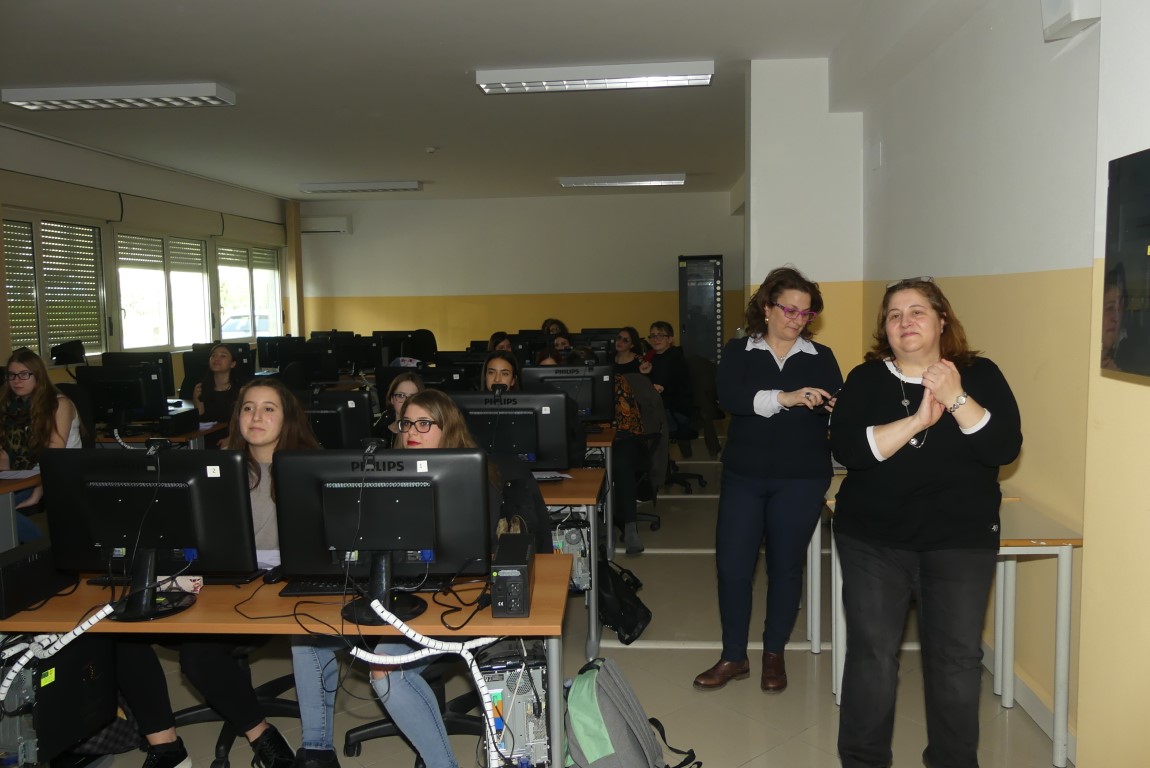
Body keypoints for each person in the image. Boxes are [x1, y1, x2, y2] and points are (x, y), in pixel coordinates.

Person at [295, 389, 550, 768]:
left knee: (385, 671)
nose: (412, 431)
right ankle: (316, 751)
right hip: (391, 592)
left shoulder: (476, 477)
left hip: (453, 602)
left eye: (424, 424)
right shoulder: (379, 474)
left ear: (448, 429)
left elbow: (470, 555)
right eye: (407, 423)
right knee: (307, 637)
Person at [830, 277, 1022, 768]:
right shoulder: (866, 379)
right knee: (873, 656)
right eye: (894, 315)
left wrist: (955, 397)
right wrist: (917, 420)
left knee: (957, 661)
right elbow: (849, 450)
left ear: (941, 320)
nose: (905, 322)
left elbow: (1003, 447)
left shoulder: (979, 374)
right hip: (873, 539)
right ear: (885, 329)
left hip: (960, 540)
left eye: (917, 311)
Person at [692, 267, 842, 693]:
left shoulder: (821, 356)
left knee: (785, 567)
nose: (797, 319)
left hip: (802, 478)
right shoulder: (739, 350)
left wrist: (836, 406)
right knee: (733, 567)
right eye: (789, 309)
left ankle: (774, 654)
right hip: (745, 475)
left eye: (806, 313)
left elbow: (837, 404)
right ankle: (733, 656)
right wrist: (785, 397)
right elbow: (731, 398)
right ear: (766, 308)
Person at [179, 378, 319, 768]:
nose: (256, 416)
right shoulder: (218, 469)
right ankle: (258, 734)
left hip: (283, 588)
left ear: (287, 418)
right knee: (135, 638)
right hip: (223, 584)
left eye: (268, 408)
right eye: (247, 408)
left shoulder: (307, 468)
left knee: (197, 655)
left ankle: (276, 739)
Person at [0, 347, 81, 542]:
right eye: (11, 375)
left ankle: (44, 550)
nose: (16, 381)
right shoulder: (11, 407)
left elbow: (54, 458)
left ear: (38, 376)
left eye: (24, 374)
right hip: (28, 475)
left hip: (62, 475)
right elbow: (5, 451)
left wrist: (37, 493)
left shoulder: (59, 404)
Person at [639, 321, 693, 435]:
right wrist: (646, 373)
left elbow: (674, 384)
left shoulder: (676, 357)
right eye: (653, 336)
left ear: (670, 339)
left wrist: (662, 388)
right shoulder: (654, 358)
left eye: (660, 335)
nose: (655, 339)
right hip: (662, 406)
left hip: (675, 410)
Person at [192, 343, 244, 425]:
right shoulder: (200, 388)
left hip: (233, 432)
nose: (216, 359)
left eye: (223, 356)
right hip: (209, 432)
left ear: (233, 364)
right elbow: (200, 420)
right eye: (213, 355)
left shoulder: (241, 390)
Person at [376, 371, 424, 445]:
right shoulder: (380, 432)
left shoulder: (426, 433)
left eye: (412, 397)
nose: (406, 402)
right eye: (401, 396)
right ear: (392, 399)